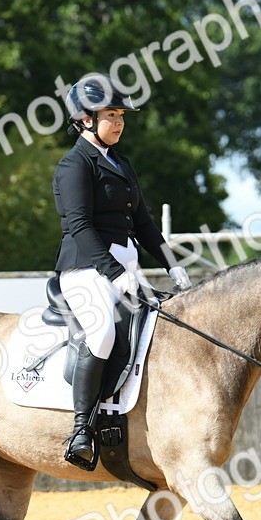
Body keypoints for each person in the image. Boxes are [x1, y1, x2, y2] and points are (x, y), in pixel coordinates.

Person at [53, 74, 192, 470]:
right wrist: (113, 272)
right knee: (102, 331)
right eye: (110, 115)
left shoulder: (121, 164)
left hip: (125, 267)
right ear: (86, 120)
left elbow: (144, 224)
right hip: (84, 269)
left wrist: (173, 264)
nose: (118, 123)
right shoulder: (74, 165)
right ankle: (81, 429)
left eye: (121, 116)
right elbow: (80, 225)